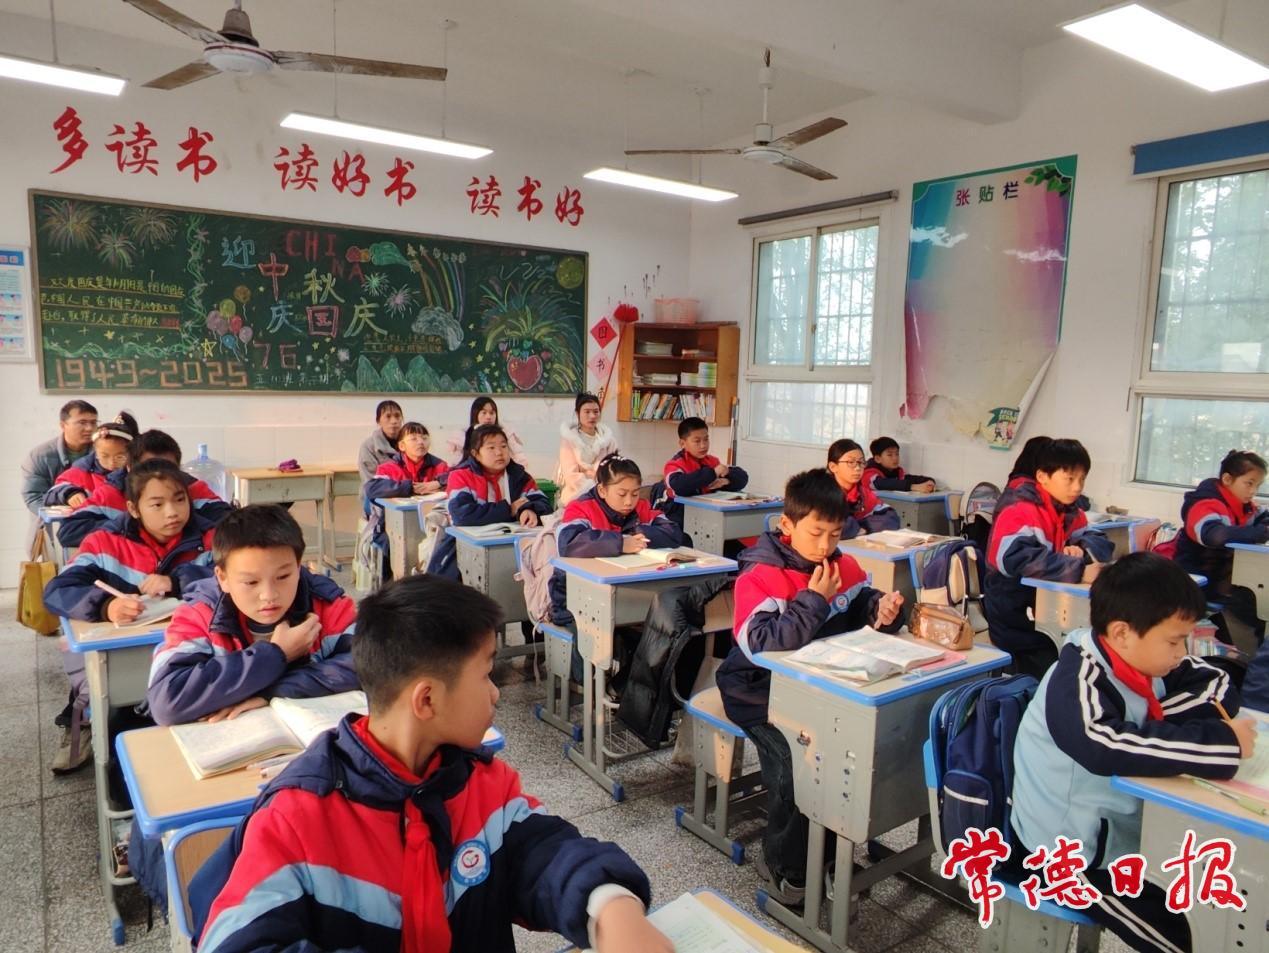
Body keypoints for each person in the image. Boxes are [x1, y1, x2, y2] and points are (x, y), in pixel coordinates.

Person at [190, 575, 666, 953]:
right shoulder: (299, 818)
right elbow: (238, 939)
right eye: (486, 674)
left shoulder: (481, 783)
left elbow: (544, 852)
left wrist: (610, 906)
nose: (497, 693)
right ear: (427, 700)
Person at [1011, 553, 1253, 953]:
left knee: (1224, 896)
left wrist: (1163, 723)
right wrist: (1218, 742)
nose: (1181, 652)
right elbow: (1102, 745)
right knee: (1188, 938)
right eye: (1173, 641)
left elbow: (1216, 680)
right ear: (1122, 632)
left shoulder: (1143, 657)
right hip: (1073, 854)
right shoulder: (1078, 678)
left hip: (1129, 830)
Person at [716, 468, 905, 905]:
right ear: (787, 524)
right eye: (816, 533)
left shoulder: (843, 565)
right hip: (757, 691)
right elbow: (761, 646)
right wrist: (814, 601)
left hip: (821, 691)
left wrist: (881, 610)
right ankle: (786, 865)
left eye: (835, 534)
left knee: (847, 760)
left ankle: (828, 853)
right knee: (795, 764)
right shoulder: (760, 576)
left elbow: (859, 605)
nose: (825, 545)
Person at [41, 459, 219, 776]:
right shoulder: (104, 543)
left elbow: (232, 580)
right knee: (119, 733)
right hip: (124, 657)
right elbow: (58, 590)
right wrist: (106, 606)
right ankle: (87, 737)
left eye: (180, 500)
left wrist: (178, 581)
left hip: (192, 655)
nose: (172, 512)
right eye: (157, 504)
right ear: (133, 509)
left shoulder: (210, 539)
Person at [145, 504, 358, 727]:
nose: (269, 595)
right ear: (222, 578)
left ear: (298, 566)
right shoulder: (200, 614)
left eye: (283, 576)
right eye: (251, 582)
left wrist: (273, 691)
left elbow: (370, 665)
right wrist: (276, 655)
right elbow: (166, 702)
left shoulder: (327, 605)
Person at [983, 437, 1114, 680]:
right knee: (1058, 667)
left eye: (1082, 479)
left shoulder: (1069, 511)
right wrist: (1078, 569)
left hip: (1050, 607)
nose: (1077, 487)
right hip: (1014, 614)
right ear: (1042, 476)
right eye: (1069, 479)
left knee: (1088, 653)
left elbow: (1100, 541)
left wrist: (1080, 550)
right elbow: (1016, 558)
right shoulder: (1019, 509)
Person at [550, 454, 684, 682]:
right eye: (622, 494)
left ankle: (627, 686)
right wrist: (620, 542)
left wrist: (636, 533)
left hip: (626, 594)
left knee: (659, 630)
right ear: (602, 490)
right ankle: (590, 688)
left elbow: (673, 532)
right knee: (593, 642)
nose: (629, 501)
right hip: (575, 600)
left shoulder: (640, 508)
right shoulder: (581, 508)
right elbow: (569, 542)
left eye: (635, 493)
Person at [56, 429, 231, 549]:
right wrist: (138, 525)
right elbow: (69, 532)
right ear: (129, 468)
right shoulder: (112, 492)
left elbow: (228, 523)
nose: (161, 477)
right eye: (150, 469)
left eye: (169, 469)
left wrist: (184, 523)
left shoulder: (192, 488)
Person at [1173, 449, 1268, 654]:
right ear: (1227, 479)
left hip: (1224, 581)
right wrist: (1259, 533)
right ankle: (1256, 661)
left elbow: (1262, 518)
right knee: (1258, 607)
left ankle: (1257, 658)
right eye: (1249, 483)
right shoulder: (1205, 504)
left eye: (1258, 486)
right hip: (1196, 584)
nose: (1253, 491)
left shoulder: (1244, 506)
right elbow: (1215, 536)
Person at [427, 424, 551, 579]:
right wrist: (508, 510)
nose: (499, 452)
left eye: (503, 446)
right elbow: (462, 515)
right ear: (476, 454)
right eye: (491, 448)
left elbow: (544, 503)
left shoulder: (518, 476)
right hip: (464, 548)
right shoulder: (461, 476)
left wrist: (529, 509)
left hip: (513, 545)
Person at [362, 422, 451, 573]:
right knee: (392, 548)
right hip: (391, 526)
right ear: (402, 446)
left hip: (432, 525)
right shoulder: (390, 467)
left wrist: (437, 482)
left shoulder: (439, 466)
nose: (421, 442)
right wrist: (409, 487)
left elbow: (456, 476)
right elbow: (372, 488)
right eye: (414, 438)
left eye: (424, 438)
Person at [658, 416, 749, 528]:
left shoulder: (712, 461)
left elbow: (742, 478)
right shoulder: (674, 465)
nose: (703, 445)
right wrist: (713, 473)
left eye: (706, 439)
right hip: (678, 518)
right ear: (682, 444)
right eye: (697, 441)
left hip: (707, 516)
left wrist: (726, 481)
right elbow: (679, 485)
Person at [42, 411, 139, 507]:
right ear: (95, 450)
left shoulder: (138, 476)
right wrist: (69, 494)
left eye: (120, 457)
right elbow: (51, 494)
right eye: (104, 456)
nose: (111, 463)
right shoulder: (81, 471)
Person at [20, 399, 97, 517]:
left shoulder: (103, 454)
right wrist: (63, 515)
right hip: (53, 523)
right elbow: (34, 496)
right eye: (82, 422)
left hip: (96, 521)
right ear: (63, 425)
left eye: (93, 422)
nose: (89, 428)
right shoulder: (40, 456)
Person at [826, 438, 899, 538]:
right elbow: (827, 525)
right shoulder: (822, 492)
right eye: (851, 462)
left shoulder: (863, 493)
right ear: (833, 467)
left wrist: (862, 528)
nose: (857, 468)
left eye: (861, 462)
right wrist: (856, 528)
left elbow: (891, 518)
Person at [557, 391, 619, 506]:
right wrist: (593, 489)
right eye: (587, 412)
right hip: (576, 495)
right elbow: (571, 475)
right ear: (577, 413)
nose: (592, 416)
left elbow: (615, 470)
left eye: (596, 411)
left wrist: (604, 491)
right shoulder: (569, 439)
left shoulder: (608, 440)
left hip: (605, 496)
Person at [447, 396, 527, 466]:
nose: (488, 417)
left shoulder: (506, 433)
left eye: (492, 413)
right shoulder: (463, 436)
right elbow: (455, 462)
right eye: (484, 413)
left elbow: (518, 457)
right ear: (475, 414)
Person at [862, 436, 936, 493]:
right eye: (890, 455)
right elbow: (883, 483)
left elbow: (910, 479)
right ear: (878, 459)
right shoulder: (868, 473)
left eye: (897, 454)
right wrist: (914, 487)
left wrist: (930, 481)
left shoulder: (896, 471)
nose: (895, 458)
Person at [357, 399, 405, 485]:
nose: (394, 421)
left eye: (397, 416)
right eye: (388, 416)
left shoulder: (411, 443)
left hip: (411, 491)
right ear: (378, 421)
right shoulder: (368, 446)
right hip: (379, 492)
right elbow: (371, 483)